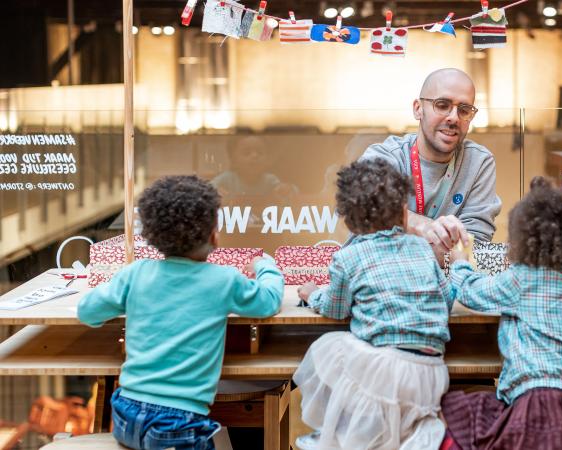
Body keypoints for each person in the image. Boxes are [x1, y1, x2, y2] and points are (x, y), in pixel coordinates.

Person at [77, 175, 284, 450]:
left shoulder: (135, 274)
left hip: (126, 415)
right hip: (179, 426)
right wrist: (265, 266)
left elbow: (87, 312)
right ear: (213, 235)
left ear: (153, 235)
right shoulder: (223, 280)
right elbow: (268, 301)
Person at [293, 159, 456, 450]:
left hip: (385, 371)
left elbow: (335, 309)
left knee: (329, 348)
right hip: (432, 375)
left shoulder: (348, 258)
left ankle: (338, 434)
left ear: (348, 222)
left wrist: (313, 294)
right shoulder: (422, 248)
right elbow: (446, 299)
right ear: (404, 213)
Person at [441, 177, 562, 450]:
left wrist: (459, 263)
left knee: (456, 407)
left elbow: (470, 291)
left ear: (523, 238)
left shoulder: (521, 279)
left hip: (534, 406)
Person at [361, 68, 501, 262]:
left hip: (448, 279)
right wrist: (421, 226)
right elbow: (365, 220)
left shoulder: (479, 163)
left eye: (464, 110)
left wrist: (399, 232)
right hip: (386, 277)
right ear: (418, 109)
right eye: (442, 105)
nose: (454, 118)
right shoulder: (384, 158)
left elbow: (473, 247)